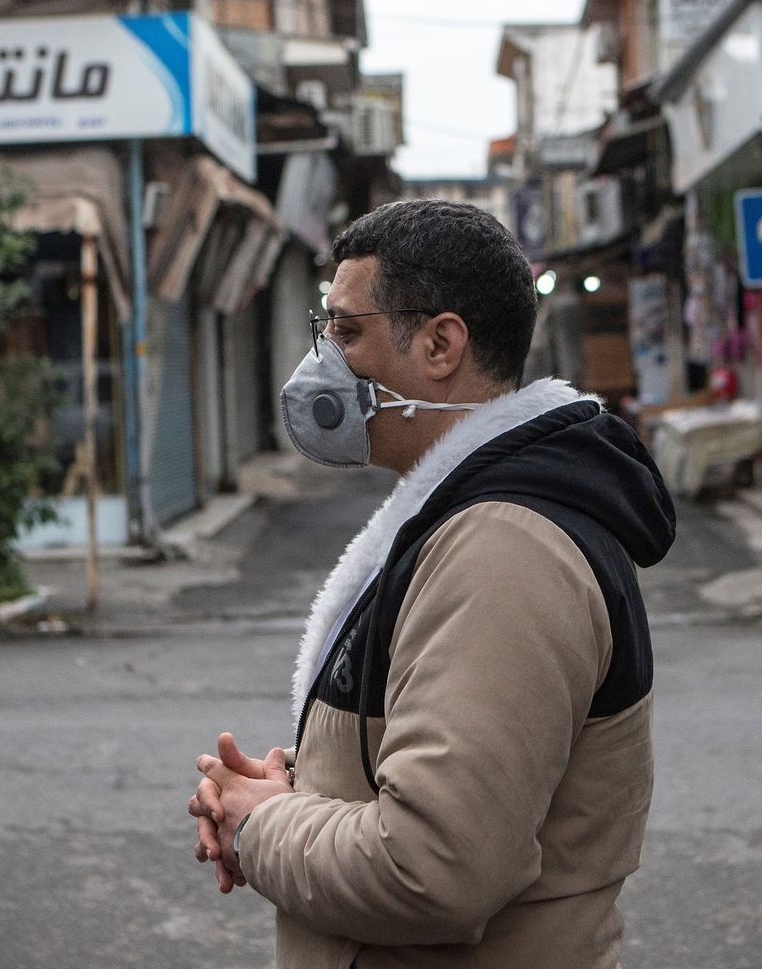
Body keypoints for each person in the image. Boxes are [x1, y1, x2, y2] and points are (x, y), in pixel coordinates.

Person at [186, 200, 676, 968]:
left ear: (442, 344)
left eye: (347, 333)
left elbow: (431, 868)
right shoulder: (466, 518)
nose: (325, 363)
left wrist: (263, 825)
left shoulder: (504, 552)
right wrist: (303, 789)